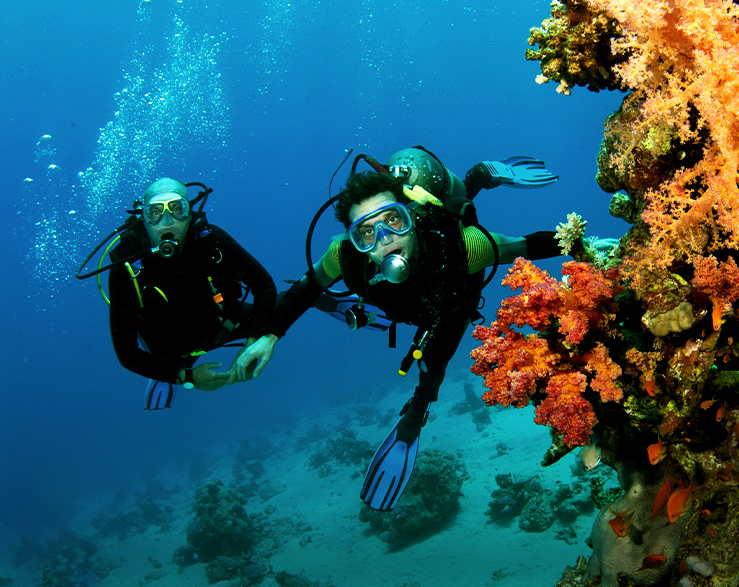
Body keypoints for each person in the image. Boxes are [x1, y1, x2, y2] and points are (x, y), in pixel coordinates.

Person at [235, 147, 567, 510]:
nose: (385, 240)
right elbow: (307, 287)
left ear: (411, 215)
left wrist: (584, 243)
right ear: (356, 242)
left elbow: (525, 245)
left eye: (393, 221)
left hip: (451, 298)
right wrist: (269, 335)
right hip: (423, 304)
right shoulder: (345, 257)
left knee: (457, 203)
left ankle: (482, 175)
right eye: (366, 233)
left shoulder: (460, 248)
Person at [107, 177, 277, 408]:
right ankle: (165, 375)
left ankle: (334, 300)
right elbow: (126, 352)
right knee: (164, 363)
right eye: (155, 213)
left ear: (189, 213)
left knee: (289, 303)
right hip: (171, 351)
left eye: (177, 209)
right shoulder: (125, 266)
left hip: (224, 324)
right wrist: (185, 377)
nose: (167, 222)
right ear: (143, 219)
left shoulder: (212, 239)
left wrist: (254, 340)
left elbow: (264, 285)